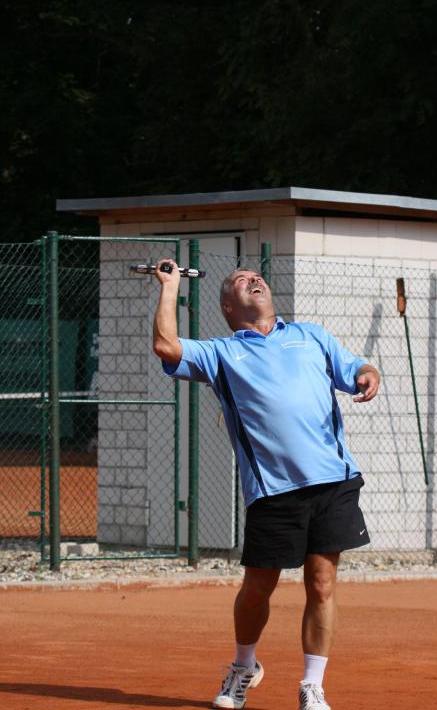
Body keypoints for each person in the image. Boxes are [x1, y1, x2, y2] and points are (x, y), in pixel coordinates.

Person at [152, 261, 380, 710]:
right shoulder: (221, 353)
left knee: (322, 584)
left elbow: (356, 366)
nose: (253, 279)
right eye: (240, 280)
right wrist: (170, 286)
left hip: (333, 481)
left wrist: (368, 374)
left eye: (256, 276)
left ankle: (312, 685)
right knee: (258, 587)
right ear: (227, 306)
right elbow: (166, 346)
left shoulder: (311, 336)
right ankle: (243, 667)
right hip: (273, 491)